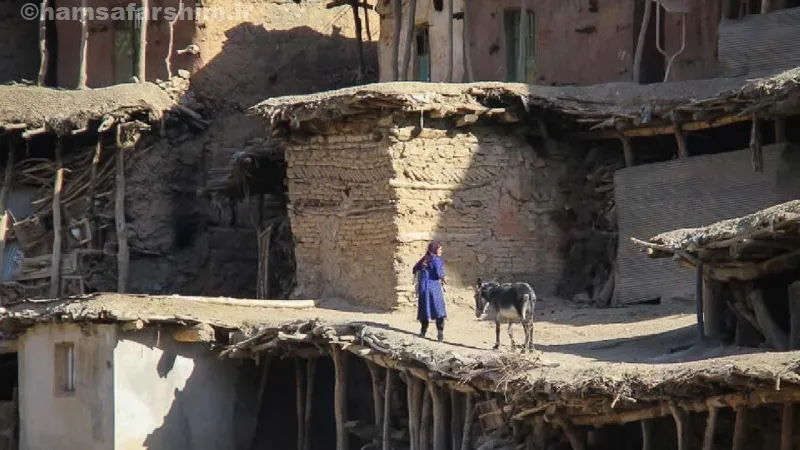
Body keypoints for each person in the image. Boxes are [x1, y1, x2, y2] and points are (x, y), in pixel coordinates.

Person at [412, 240, 447, 341]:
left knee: (424, 310)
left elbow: (414, 269)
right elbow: (439, 273)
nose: (441, 251)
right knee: (439, 310)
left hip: (423, 288)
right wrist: (443, 278)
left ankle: (423, 332)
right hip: (434, 288)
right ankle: (440, 334)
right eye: (439, 249)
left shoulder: (424, 259)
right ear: (435, 250)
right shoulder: (436, 260)